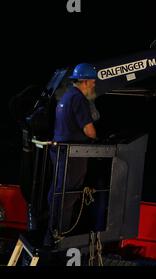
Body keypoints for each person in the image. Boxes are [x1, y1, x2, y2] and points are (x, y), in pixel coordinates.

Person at [46, 63, 98, 243]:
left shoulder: (66, 96)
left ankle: (52, 231)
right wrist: (96, 136)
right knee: (68, 194)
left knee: (58, 191)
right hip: (73, 154)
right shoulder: (79, 99)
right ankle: (60, 236)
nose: (94, 85)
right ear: (84, 81)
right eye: (92, 81)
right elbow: (89, 130)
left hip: (60, 151)